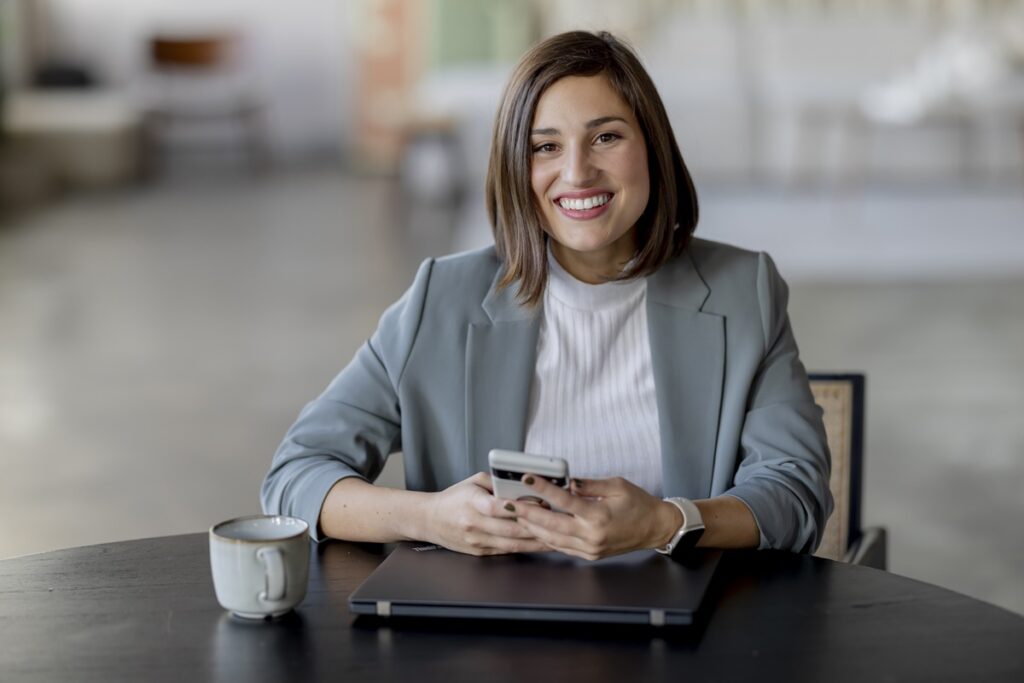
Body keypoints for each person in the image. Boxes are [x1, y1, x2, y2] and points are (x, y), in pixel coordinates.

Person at [261, 30, 832, 561]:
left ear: (652, 148)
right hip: (483, 625)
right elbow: (295, 475)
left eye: (606, 137)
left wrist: (666, 522)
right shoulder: (441, 299)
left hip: (684, 625)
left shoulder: (743, 291)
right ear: (516, 167)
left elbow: (796, 494)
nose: (578, 173)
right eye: (545, 147)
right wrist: (430, 518)